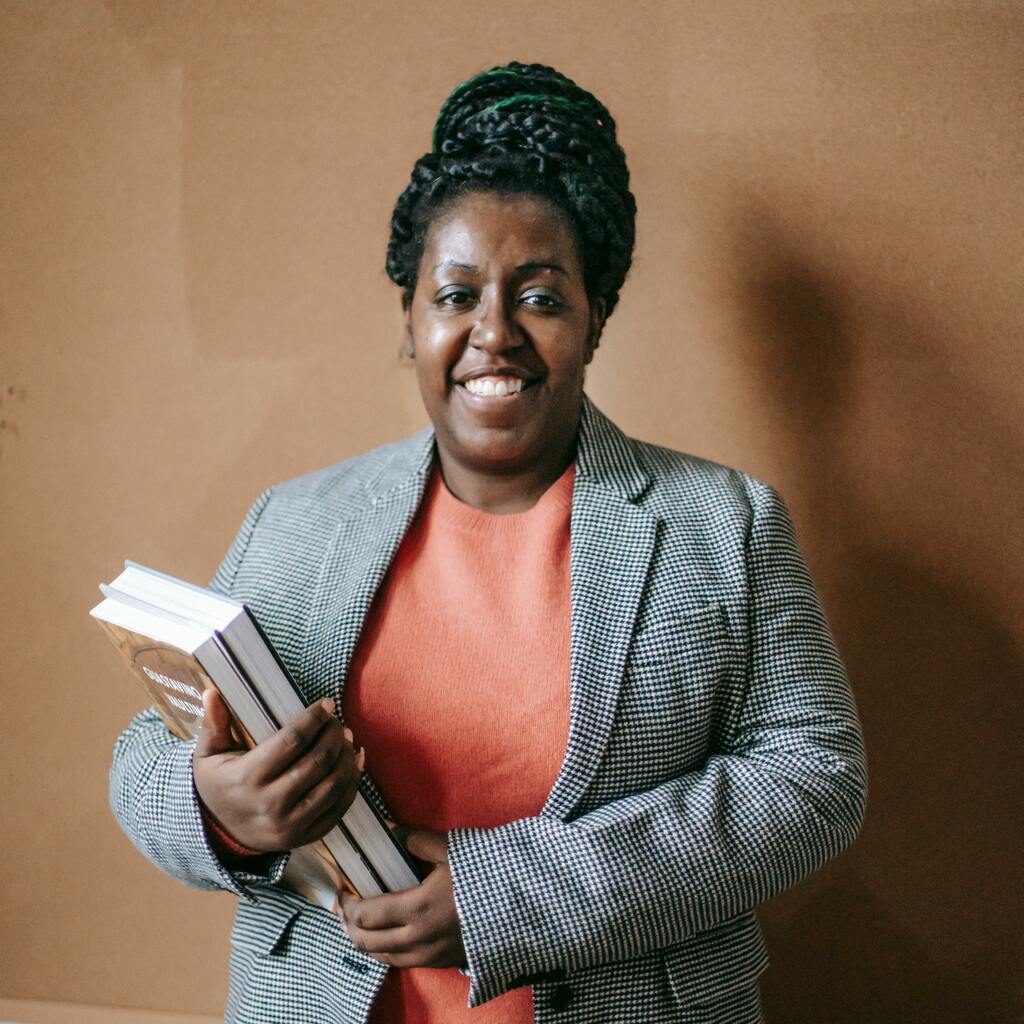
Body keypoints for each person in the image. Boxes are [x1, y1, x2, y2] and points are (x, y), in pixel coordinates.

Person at [109, 62, 867, 1024]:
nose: (493, 333)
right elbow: (148, 751)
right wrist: (218, 810)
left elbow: (815, 778)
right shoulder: (295, 521)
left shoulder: (725, 523)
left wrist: (510, 897)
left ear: (595, 319)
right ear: (411, 319)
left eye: (540, 298)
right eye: (455, 295)